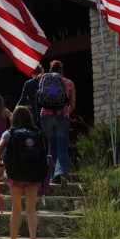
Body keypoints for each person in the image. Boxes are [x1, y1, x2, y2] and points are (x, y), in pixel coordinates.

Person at [0, 106, 44, 239]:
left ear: (13, 118)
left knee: (16, 209)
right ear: (29, 118)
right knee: (31, 209)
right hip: (33, 175)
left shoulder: (9, 133)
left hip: (15, 175)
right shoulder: (37, 133)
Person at [40, 59, 76, 187]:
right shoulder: (69, 82)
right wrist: (65, 113)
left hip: (45, 116)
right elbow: (73, 105)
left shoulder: (43, 79)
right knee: (62, 147)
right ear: (61, 70)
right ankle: (61, 174)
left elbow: (39, 96)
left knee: (51, 145)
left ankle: (50, 176)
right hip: (62, 116)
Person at [16, 64, 44, 129]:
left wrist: (15, 110)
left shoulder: (28, 83)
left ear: (32, 73)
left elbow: (22, 100)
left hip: (34, 114)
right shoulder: (46, 82)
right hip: (46, 113)